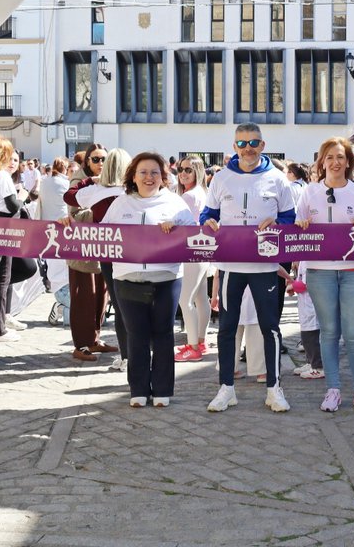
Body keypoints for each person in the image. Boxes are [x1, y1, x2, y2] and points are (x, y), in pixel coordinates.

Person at [201, 124, 297, 414]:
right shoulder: (221, 178)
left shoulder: (278, 179)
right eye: (242, 143)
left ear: (263, 145)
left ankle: (274, 389)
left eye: (253, 142)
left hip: (265, 266)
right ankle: (226, 388)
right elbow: (208, 214)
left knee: (270, 328)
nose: (248, 148)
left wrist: (277, 225)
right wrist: (208, 223)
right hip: (231, 265)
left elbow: (289, 218)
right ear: (234, 146)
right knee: (227, 328)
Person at [101, 153, 195, 407]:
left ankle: (163, 389)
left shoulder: (175, 203)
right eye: (143, 172)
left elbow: (195, 236)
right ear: (133, 175)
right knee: (136, 335)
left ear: (163, 176)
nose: (149, 177)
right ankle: (138, 390)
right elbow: (101, 236)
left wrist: (176, 227)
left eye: (154, 172)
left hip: (166, 277)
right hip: (127, 278)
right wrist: (70, 223)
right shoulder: (120, 203)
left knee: (164, 333)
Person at [295, 136, 354, 413]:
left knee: (353, 334)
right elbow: (297, 228)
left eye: (340, 156)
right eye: (329, 157)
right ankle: (332, 389)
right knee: (328, 332)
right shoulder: (310, 192)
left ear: (348, 161)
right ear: (322, 161)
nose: (335, 162)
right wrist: (302, 223)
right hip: (320, 271)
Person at [64, 146, 126, 364]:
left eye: (104, 159)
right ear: (87, 161)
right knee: (83, 297)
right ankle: (81, 344)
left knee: (101, 296)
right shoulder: (81, 180)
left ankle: (94, 339)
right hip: (82, 249)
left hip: (103, 249)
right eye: (96, 159)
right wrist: (102, 210)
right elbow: (74, 213)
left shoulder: (107, 183)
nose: (100, 163)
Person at [174, 156, 210, 362]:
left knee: (185, 299)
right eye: (181, 169)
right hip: (203, 249)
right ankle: (199, 342)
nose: (183, 173)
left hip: (191, 248)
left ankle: (194, 346)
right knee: (199, 298)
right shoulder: (202, 193)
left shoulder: (188, 197)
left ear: (197, 171)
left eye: (188, 169)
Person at [0, 136, 26, 342]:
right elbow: (13, 206)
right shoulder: (2, 177)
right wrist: (22, 196)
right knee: (3, 276)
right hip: (5, 226)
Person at [37, 156, 70, 221]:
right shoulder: (67, 183)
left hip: (45, 221)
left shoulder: (43, 182)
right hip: (62, 221)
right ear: (65, 168)